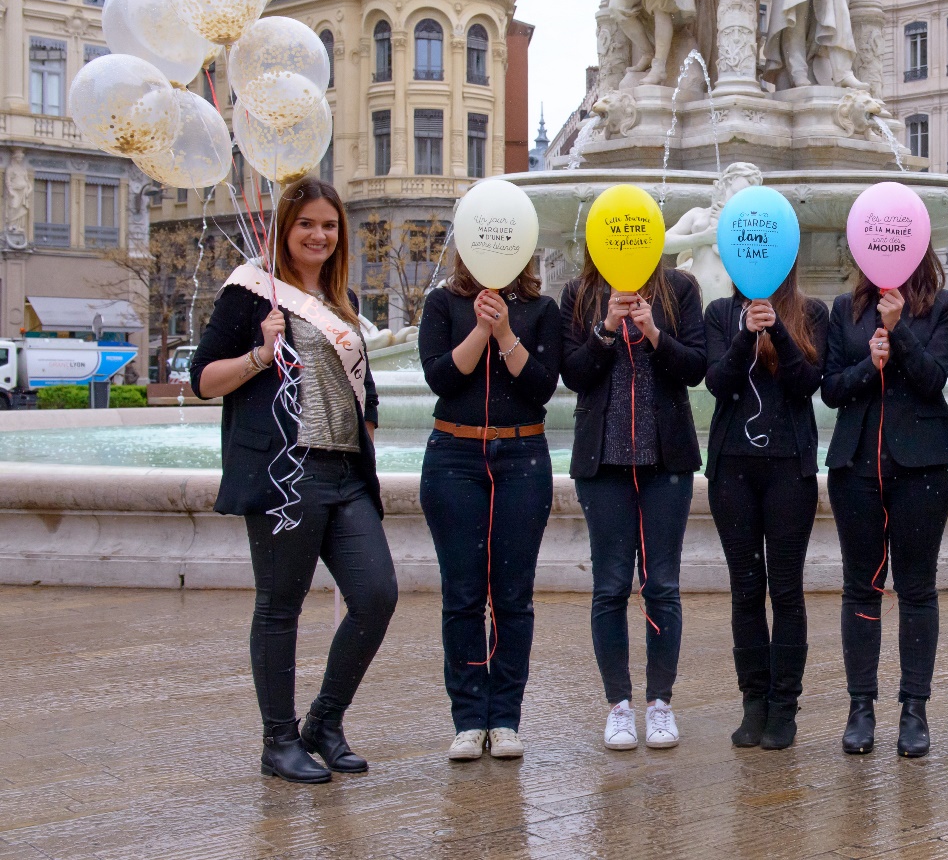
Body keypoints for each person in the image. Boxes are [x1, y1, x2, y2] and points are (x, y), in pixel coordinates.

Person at [191, 177, 396, 785]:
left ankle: (323, 724)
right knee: (281, 608)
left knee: (377, 595)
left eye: (329, 225)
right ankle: (277, 742)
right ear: (285, 228)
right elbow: (204, 379)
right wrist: (260, 354)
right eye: (307, 224)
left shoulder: (343, 301)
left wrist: (370, 431)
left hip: (345, 474)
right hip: (288, 472)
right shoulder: (250, 293)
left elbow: (367, 394)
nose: (319, 235)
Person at [418, 252, 562, 762]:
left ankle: (504, 719)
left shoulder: (543, 308)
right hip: (454, 455)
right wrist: (481, 329)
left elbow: (542, 385)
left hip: (522, 453)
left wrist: (505, 333)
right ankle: (467, 719)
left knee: (512, 595)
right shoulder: (442, 304)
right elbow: (441, 378)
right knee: (461, 593)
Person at [561, 253, 706, 751]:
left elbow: (695, 367)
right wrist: (605, 328)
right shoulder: (580, 294)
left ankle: (660, 703)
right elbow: (573, 374)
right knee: (610, 586)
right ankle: (618, 706)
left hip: (666, 462)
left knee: (662, 584)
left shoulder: (679, 289)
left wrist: (654, 333)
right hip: (603, 465)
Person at [822, 246, 948, 758]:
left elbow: (935, 380)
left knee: (917, 588)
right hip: (855, 465)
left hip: (921, 465)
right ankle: (861, 708)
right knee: (860, 588)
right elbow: (831, 389)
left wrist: (899, 330)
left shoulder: (945, 306)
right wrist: (869, 364)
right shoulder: (845, 308)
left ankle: (914, 709)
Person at [703, 267, 829, 750]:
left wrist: (776, 327)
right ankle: (753, 701)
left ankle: (784, 706)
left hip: (788, 471)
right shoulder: (720, 313)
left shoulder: (810, 313)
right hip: (732, 469)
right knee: (746, 590)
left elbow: (806, 384)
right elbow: (717, 382)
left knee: (787, 590)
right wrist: (744, 336)